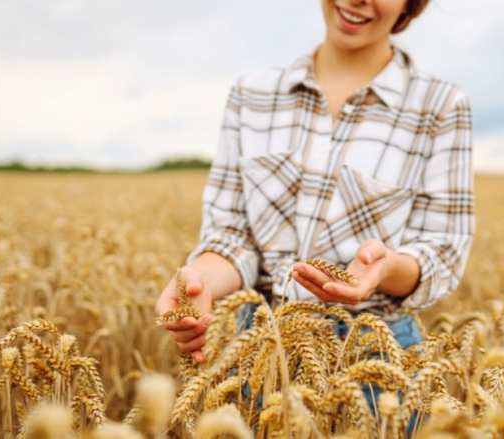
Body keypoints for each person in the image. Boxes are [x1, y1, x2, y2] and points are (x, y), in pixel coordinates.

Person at [155, 0, 474, 367]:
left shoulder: (441, 106)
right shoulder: (252, 94)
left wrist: (385, 267)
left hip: (372, 355)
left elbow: (442, 253)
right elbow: (231, 235)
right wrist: (198, 283)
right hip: (257, 347)